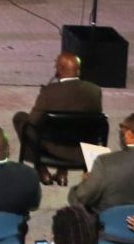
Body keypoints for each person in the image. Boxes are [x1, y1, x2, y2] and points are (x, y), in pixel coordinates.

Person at [13, 52, 104, 183]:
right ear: (78, 70)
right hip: (83, 148)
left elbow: (33, 120)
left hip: (54, 148)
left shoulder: (50, 91)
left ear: (60, 69)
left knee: (21, 118)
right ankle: (62, 172)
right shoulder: (94, 90)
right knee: (72, 126)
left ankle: (41, 169)